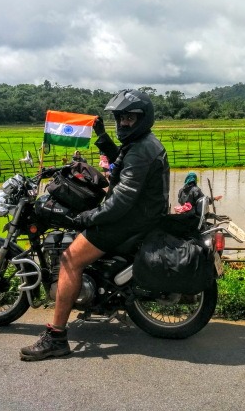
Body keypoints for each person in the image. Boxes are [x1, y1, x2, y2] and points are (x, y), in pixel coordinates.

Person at [20, 89, 170, 361]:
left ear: (143, 118)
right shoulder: (142, 144)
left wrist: (89, 217)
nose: (124, 123)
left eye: (130, 118)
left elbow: (122, 201)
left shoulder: (142, 149)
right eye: (120, 118)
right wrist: (102, 138)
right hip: (142, 215)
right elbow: (123, 166)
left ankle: (56, 337)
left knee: (69, 260)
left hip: (131, 220)